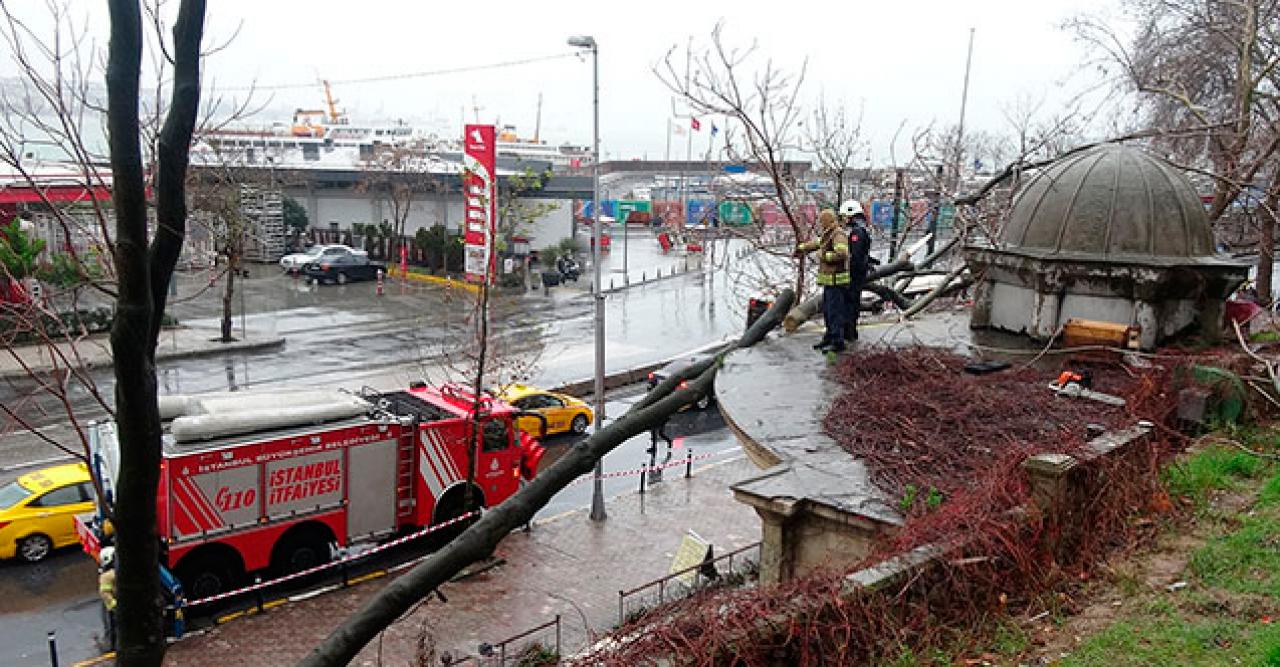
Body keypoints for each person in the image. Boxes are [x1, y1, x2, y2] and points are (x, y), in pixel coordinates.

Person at [796, 209, 851, 352]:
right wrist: (802, 248)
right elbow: (817, 243)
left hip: (837, 282)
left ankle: (838, 342)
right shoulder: (829, 234)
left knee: (835, 313)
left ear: (827, 221)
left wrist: (824, 256)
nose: (820, 224)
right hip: (829, 282)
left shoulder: (838, 234)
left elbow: (842, 254)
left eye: (822, 221)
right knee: (828, 311)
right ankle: (829, 337)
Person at [839, 200, 873, 341]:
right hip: (859, 272)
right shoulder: (862, 228)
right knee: (853, 302)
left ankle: (849, 333)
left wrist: (849, 271)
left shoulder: (856, 232)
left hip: (855, 275)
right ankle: (850, 331)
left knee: (850, 303)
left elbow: (856, 255)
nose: (844, 220)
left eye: (845, 216)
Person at [98, 546, 117, 651]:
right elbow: (104, 593)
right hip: (113, 606)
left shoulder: (106, 574)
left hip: (112, 605)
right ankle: (112, 646)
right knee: (113, 627)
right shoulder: (108, 576)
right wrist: (114, 604)